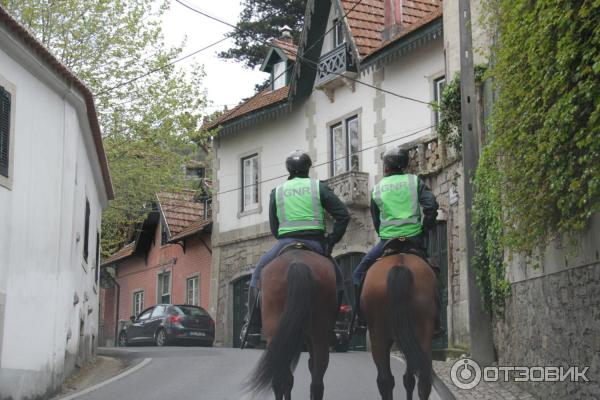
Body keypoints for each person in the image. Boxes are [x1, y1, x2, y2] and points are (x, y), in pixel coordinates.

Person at [240, 150, 350, 345]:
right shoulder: (319, 187)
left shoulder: (278, 191)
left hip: (285, 242)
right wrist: (331, 241)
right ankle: (336, 324)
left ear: (288, 169)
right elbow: (343, 215)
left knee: (257, 276)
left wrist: (285, 237)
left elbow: (274, 227)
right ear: (308, 167)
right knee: (339, 280)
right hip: (315, 243)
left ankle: (252, 324)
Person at [351, 146, 442, 336]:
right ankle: (436, 322)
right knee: (433, 274)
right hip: (413, 239)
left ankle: (360, 321)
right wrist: (425, 229)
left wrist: (385, 234)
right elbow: (431, 205)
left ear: (385, 167)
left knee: (358, 274)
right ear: (404, 165)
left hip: (388, 242)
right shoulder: (414, 181)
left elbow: (376, 221)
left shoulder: (377, 189)